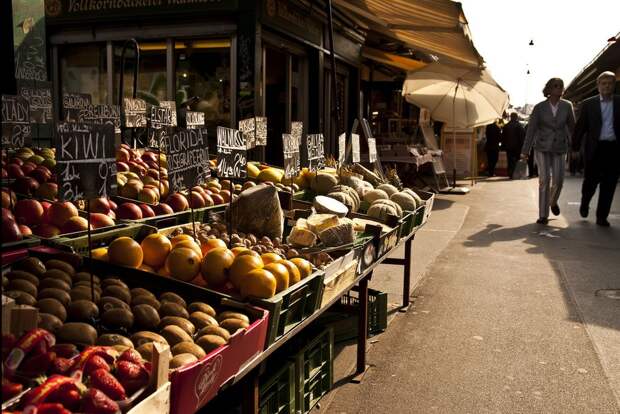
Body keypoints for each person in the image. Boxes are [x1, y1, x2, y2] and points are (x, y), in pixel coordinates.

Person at [521, 78, 576, 224]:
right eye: (556, 86)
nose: (559, 89)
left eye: (561, 86)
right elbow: (531, 130)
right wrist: (525, 151)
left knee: (558, 180)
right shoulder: (539, 108)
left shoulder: (567, 106)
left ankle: (552, 201)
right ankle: (543, 215)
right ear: (549, 89)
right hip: (542, 147)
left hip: (560, 147)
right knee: (544, 180)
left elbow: (572, 128)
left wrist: (574, 148)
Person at [571, 71, 620, 227]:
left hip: (613, 149)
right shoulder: (588, 104)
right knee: (590, 183)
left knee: (609, 184)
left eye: (610, 83)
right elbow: (580, 128)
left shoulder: (619, 102)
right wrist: (575, 148)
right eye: (603, 83)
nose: (606, 86)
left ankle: (601, 216)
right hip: (594, 149)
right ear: (598, 86)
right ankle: (585, 203)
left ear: (614, 85)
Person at [502, 112, 525, 178]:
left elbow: (503, 137)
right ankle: (516, 173)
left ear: (511, 117)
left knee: (509, 160)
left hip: (508, 147)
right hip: (517, 147)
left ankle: (510, 174)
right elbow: (522, 137)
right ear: (516, 117)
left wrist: (503, 146)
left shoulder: (506, 126)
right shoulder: (519, 126)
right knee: (517, 160)